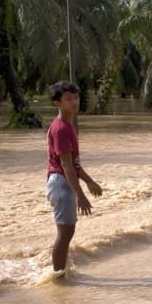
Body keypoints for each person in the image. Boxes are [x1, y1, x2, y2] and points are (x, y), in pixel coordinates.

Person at [45, 81, 102, 276]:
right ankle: (58, 277)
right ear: (57, 104)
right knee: (64, 234)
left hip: (64, 182)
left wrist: (89, 181)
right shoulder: (61, 128)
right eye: (68, 99)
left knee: (67, 233)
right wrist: (81, 194)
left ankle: (61, 273)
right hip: (62, 184)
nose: (74, 102)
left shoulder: (67, 125)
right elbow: (67, 166)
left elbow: (74, 164)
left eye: (76, 97)